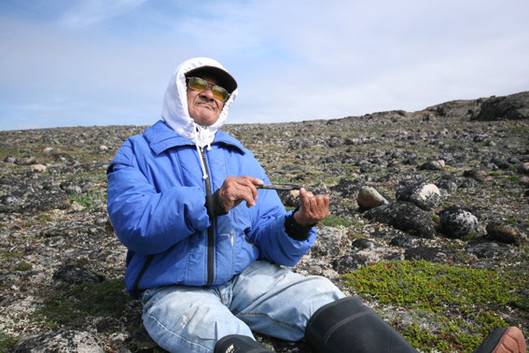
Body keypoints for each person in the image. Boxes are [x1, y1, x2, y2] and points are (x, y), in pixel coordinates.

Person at [107, 57, 526, 353]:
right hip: (174, 290)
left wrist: (297, 226)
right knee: (228, 337)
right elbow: (135, 225)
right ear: (178, 90)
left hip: (247, 276)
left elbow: (266, 233)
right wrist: (212, 201)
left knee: (322, 296)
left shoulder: (239, 155)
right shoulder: (137, 152)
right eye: (199, 83)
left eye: (221, 90)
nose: (211, 95)